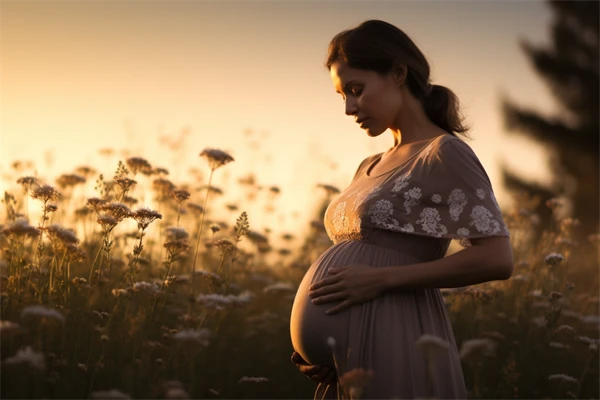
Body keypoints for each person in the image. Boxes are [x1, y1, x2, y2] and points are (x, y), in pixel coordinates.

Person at [289, 20, 514, 400]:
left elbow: (497, 258)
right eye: (342, 96)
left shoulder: (444, 153)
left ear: (397, 73)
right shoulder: (368, 164)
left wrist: (381, 279)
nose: (349, 108)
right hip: (345, 363)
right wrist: (319, 345)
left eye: (356, 90)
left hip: (397, 330)